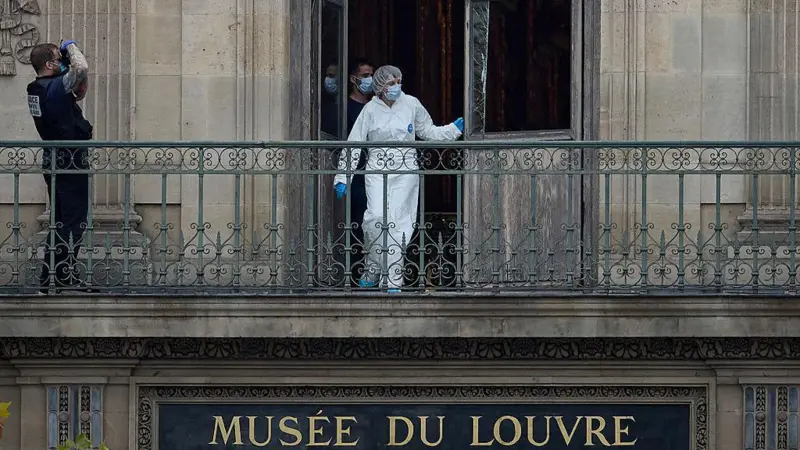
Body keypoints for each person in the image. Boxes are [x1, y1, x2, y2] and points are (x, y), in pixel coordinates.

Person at [333, 65, 465, 292]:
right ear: (380, 86)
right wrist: (343, 176)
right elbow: (355, 142)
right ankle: (373, 267)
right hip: (377, 170)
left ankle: (393, 279)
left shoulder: (411, 104)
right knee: (375, 218)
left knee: (399, 224)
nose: (396, 86)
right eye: (391, 83)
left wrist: (452, 130)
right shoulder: (370, 109)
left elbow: (427, 131)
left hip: (406, 170)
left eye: (398, 82)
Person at [27, 40, 92, 293]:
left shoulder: (38, 88)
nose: (62, 61)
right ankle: (59, 278)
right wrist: (71, 47)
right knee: (73, 222)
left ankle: (53, 278)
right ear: (48, 64)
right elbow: (81, 68)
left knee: (60, 221)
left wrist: (64, 63)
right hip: (69, 161)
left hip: (54, 160)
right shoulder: (54, 87)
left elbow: (80, 88)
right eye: (57, 58)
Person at [343, 58, 374, 285]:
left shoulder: (375, 107)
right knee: (356, 224)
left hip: (375, 173)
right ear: (353, 79)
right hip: (355, 176)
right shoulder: (344, 108)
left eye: (371, 75)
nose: (369, 80)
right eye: (365, 76)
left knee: (376, 223)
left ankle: (375, 272)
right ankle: (354, 274)